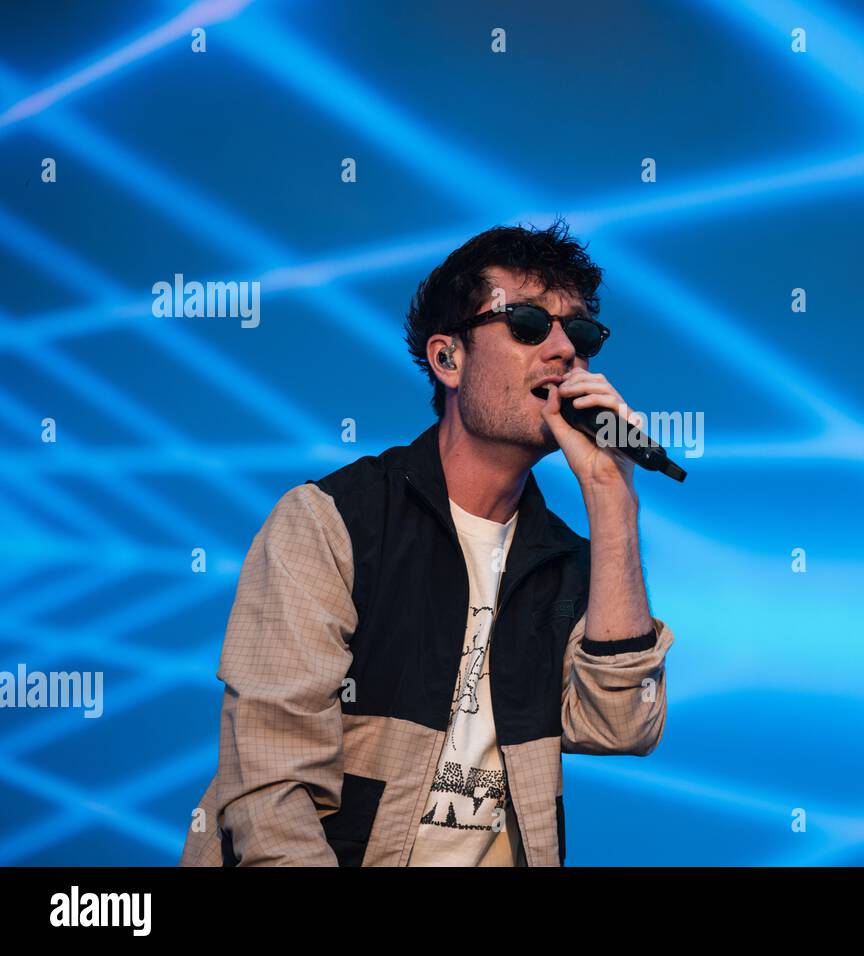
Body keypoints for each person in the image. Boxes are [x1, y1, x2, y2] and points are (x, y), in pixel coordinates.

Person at [179, 219, 674, 867]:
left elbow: (620, 725)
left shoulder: (566, 561)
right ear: (448, 359)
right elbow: (271, 784)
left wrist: (613, 497)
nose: (562, 352)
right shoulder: (333, 521)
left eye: (578, 333)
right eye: (526, 324)